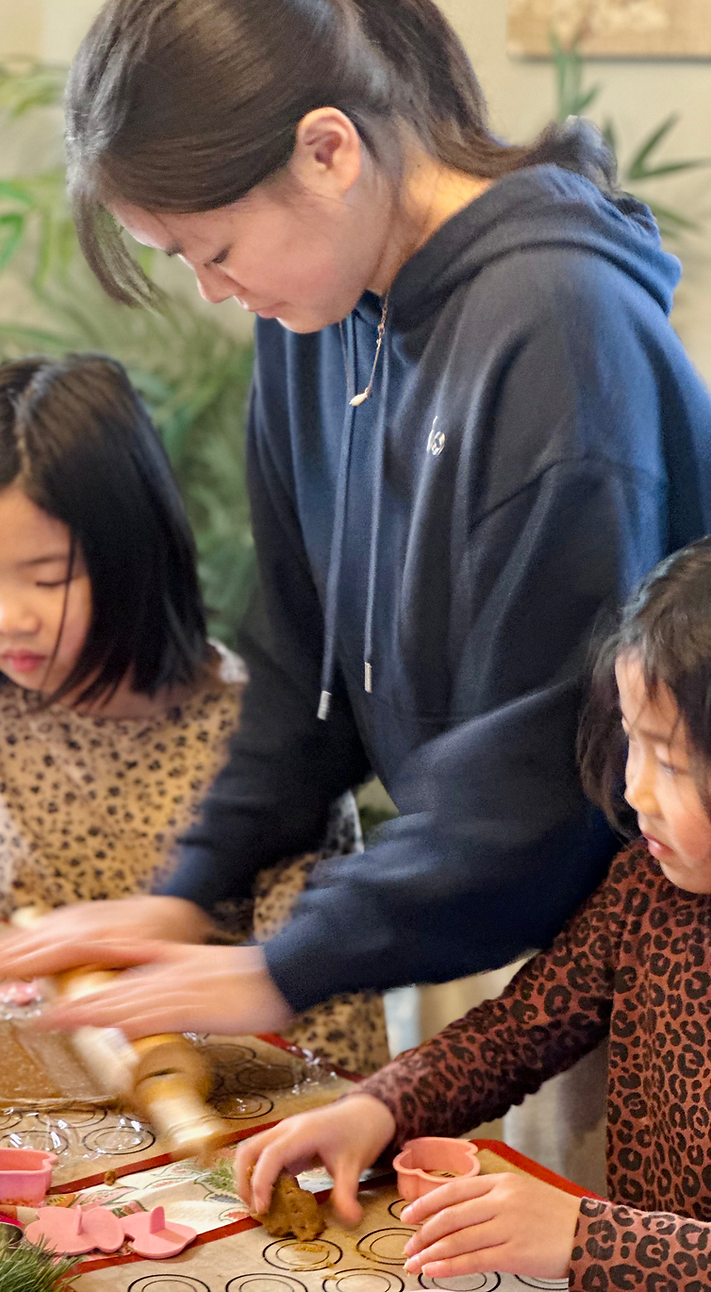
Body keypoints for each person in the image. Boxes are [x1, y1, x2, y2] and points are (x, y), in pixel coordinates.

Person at [0, 0, 711, 1043]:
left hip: (644, 946)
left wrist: (287, 964)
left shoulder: (558, 335)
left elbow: (542, 783)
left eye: (216, 249)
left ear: (327, 152)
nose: (214, 291)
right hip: (489, 919)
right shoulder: (319, 312)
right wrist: (191, 885)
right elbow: (298, 652)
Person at [0, 353, 387, 1072]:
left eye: (47, 578)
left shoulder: (262, 738)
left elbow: (332, 1036)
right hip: (34, 1068)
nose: (8, 618)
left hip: (212, 1097)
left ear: (135, 561)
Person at [235, 539, 711, 1289]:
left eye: (673, 761)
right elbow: (517, 1032)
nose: (635, 789)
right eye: (632, 743)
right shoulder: (647, 890)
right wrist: (378, 1107)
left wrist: (589, 1236)